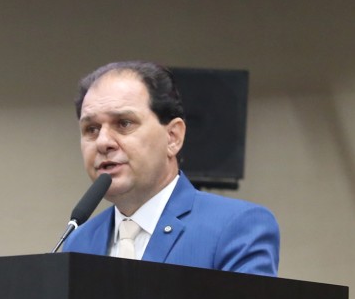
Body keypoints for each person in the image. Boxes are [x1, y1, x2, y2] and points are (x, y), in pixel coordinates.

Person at [62, 61, 280, 276]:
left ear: (173, 137)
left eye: (124, 123)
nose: (103, 142)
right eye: (91, 129)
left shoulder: (237, 227)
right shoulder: (78, 241)